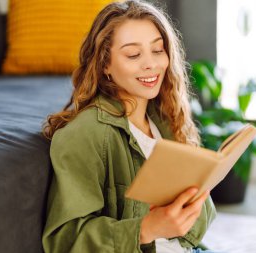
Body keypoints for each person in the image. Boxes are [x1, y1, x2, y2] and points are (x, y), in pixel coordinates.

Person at [41, 1, 218, 252]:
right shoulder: (85, 135)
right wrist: (147, 229)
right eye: (133, 54)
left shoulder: (166, 118)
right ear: (105, 65)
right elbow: (65, 241)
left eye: (158, 50)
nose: (151, 64)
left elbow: (198, 227)